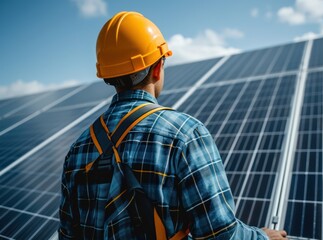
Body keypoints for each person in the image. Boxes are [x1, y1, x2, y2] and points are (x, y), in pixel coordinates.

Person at [58, 11, 288, 240]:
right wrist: (263, 237)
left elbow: (67, 236)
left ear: (107, 76)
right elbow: (219, 235)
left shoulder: (78, 149)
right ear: (157, 68)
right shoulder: (185, 134)